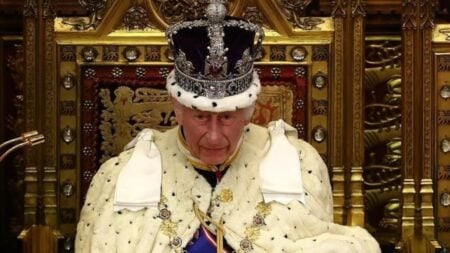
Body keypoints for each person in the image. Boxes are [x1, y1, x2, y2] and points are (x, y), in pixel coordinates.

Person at [75, 1, 381, 252]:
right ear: (177, 109)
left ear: (249, 111)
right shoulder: (121, 173)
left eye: (227, 117)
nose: (213, 135)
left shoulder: (299, 163)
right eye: (199, 116)